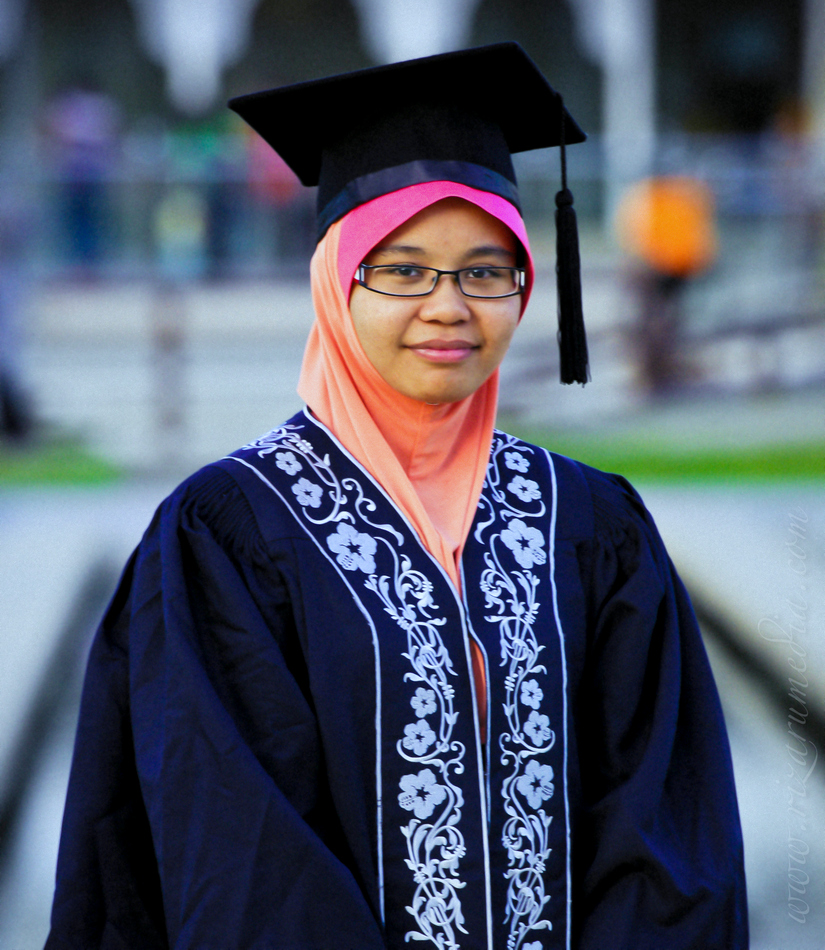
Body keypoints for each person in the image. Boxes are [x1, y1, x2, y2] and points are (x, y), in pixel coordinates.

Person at [45, 44, 748, 950]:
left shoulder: (590, 524)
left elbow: (665, 831)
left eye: (485, 270)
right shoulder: (228, 533)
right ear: (337, 284)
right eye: (403, 268)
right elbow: (242, 859)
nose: (449, 305)